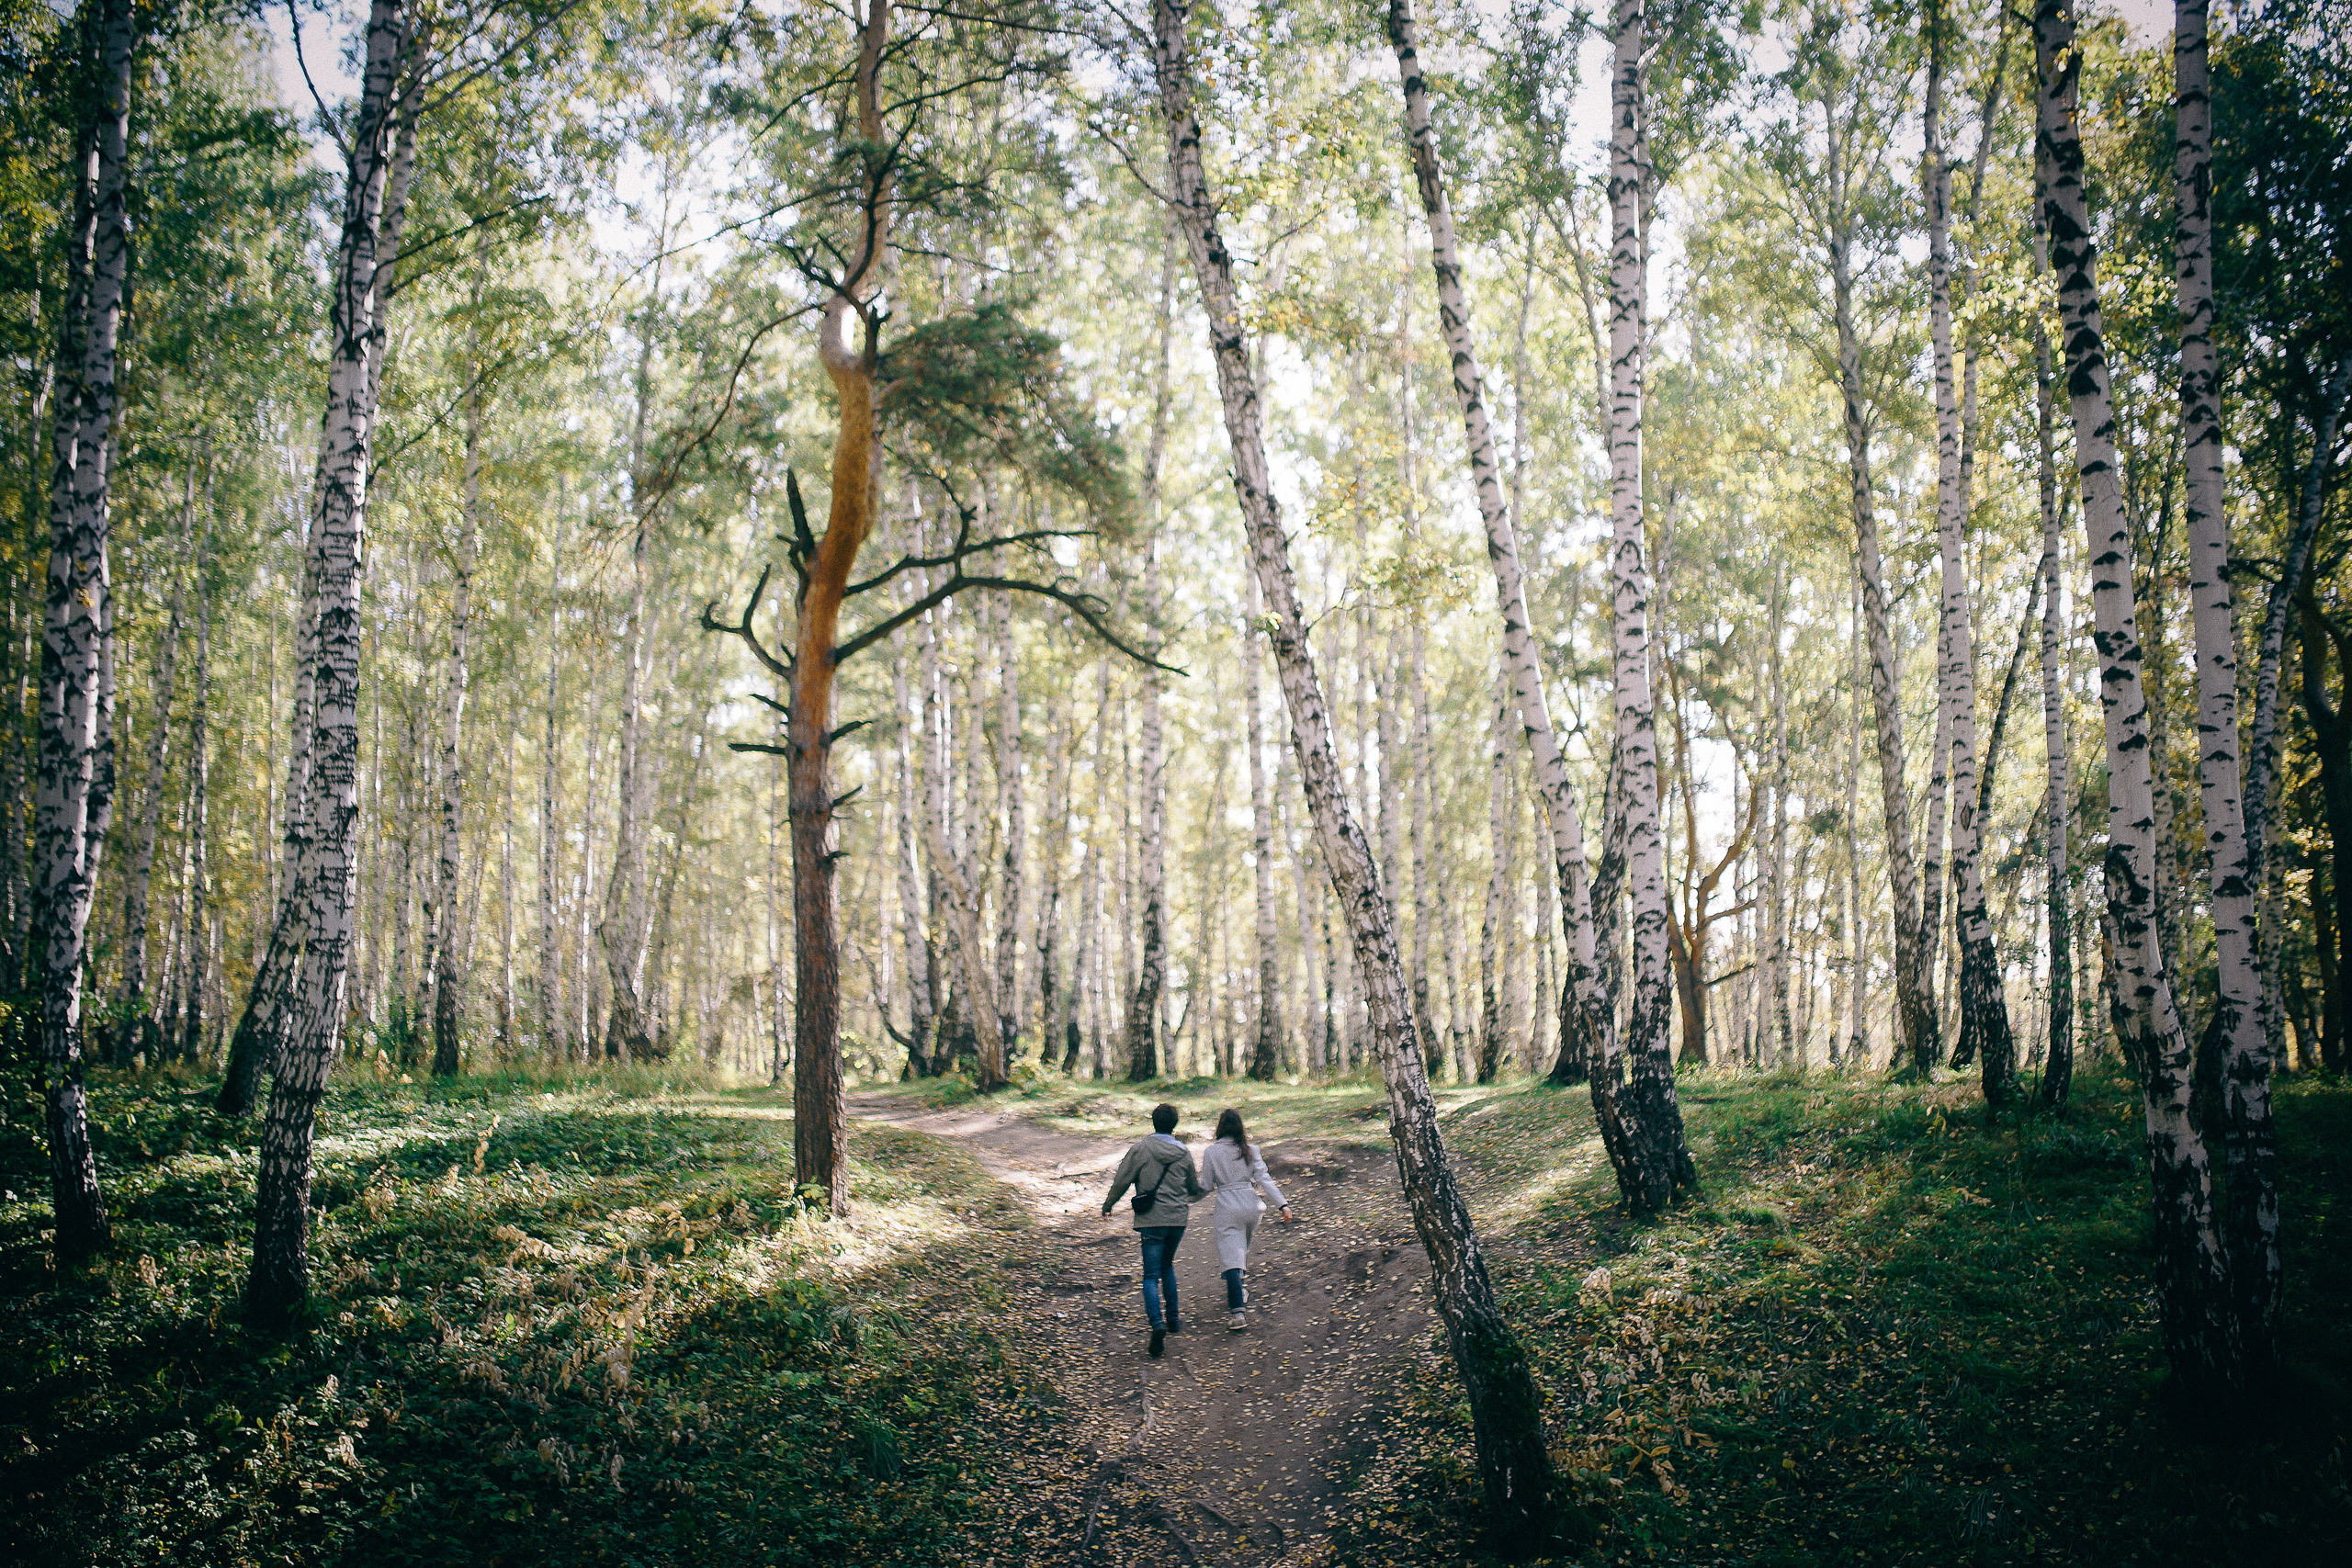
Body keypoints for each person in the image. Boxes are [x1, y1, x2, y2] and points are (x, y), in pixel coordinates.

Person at [1101, 1101, 1205, 1359]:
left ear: (1153, 1121)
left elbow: (1122, 1179)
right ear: (1175, 1125)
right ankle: (1173, 1320)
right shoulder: (1183, 1152)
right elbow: (1193, 1187)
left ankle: (1157, 1323)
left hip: (1151, 1219)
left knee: (1150, 1275)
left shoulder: (1141, 1149)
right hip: (1177, 1219)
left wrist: (1108, 1204)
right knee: (1168, 1266)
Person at [1197, 1108, 1293, 1330]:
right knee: (1240, 1251)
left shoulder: (1212, 1152)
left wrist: (1186, 1198)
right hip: (1252, 1206)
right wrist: (1283, 1204)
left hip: (1228, 1206)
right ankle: (1238, 1290)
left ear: (1220, 1128)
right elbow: (1264, 1179)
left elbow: (1205, 1186)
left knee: (1232, 1258)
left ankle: (1237, 1313)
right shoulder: (1251, 1150)